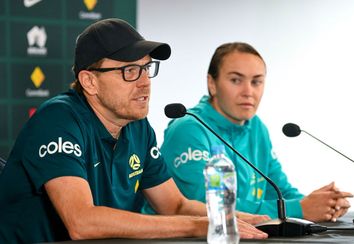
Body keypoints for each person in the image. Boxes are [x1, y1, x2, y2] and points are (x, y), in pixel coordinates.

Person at [0, 20, 269, 243]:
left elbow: (174, 206)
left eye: (146, 68)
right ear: (89, 81)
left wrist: (247, 218)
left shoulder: (137, 126)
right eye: (129, 70)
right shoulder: (58, 119)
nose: (144, 83)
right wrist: (197, 226)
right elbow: (81, 222)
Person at [153, 42, 353, 223]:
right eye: (236, 80)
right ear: (212, 84)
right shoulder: (189, 129)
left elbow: (278, 189)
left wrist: (323, 204)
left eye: (256, 81)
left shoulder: (256, 127)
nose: (248, 91)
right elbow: (202, 204)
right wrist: (300, 208)